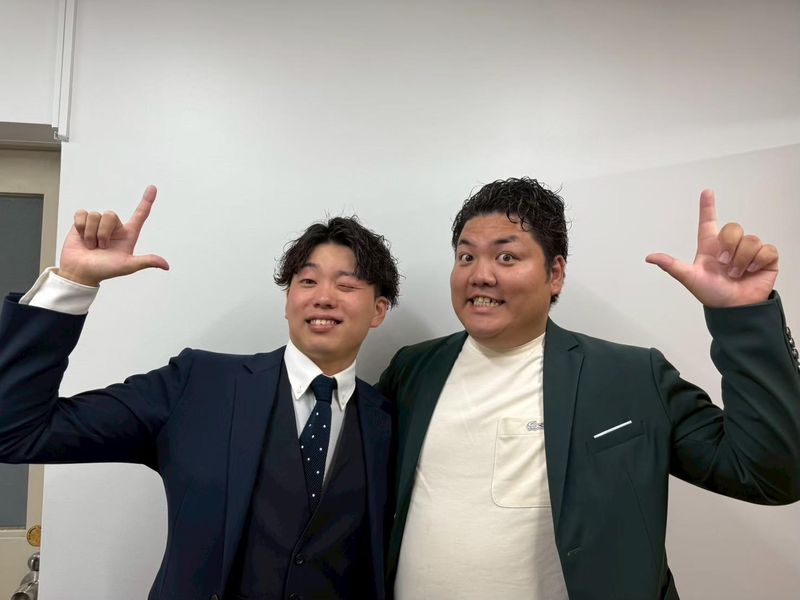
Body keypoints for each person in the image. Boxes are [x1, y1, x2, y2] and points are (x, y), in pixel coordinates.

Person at [377, 177, 800, 600]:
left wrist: (743, 318)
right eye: (466, 256)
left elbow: (769, 476)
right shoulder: (414, 369)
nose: (480, 275)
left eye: (506, 257)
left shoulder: (631, 377)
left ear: (555, 274)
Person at [0, 185, 400, 600]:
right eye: (308, 281)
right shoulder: (197, 385)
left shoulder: (386, 420)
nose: (323, 298)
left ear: (378, 310)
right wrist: (73, 282)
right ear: (287, 301)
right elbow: (16, 432)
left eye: (346, 286)